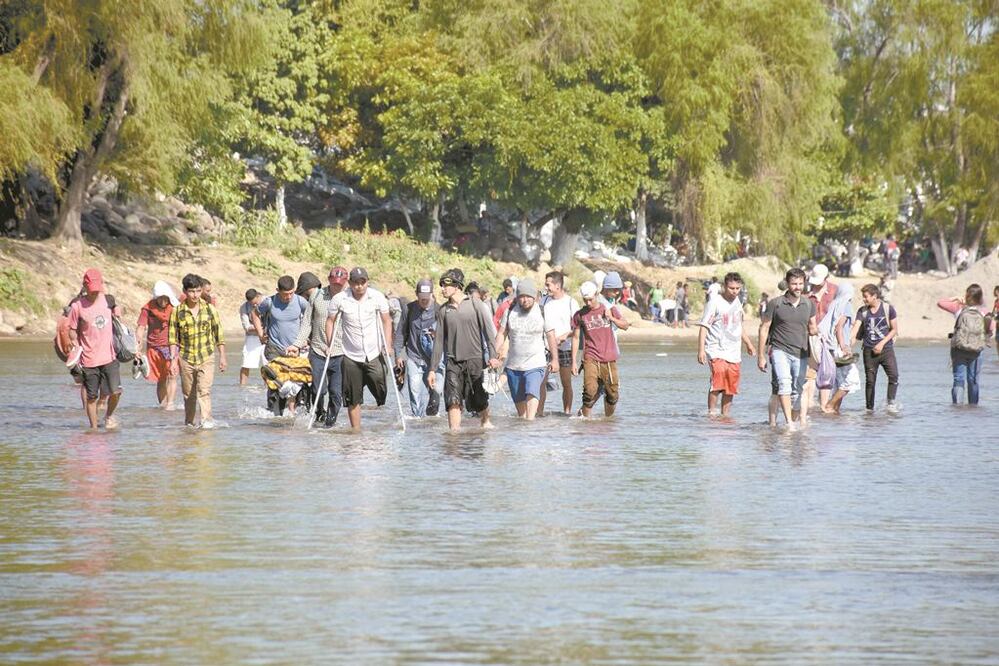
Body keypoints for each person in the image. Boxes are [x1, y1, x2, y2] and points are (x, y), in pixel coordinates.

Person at [429, 268, 499, 431]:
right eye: (441, 285)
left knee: (479, 401)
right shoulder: (443, 310)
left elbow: (489, 333)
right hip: (453, 362)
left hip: (475, 360)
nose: (443, 289)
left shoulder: (476, 305)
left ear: (457, 285)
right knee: (452, 400)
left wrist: (493, 356)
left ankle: (485, 422)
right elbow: (438, 342)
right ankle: (454, 435)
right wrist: (432, 369)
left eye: (446, 285)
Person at [324, 267, 393, 430]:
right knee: (353, 397)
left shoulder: (377, 297)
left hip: (373, 352)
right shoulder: (340, 299)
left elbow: (386, 321)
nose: (359, 286)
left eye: (363, 282)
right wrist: (329, 344)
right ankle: (356, 430)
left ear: (367, 282)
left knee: (380, 387)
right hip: (350, 354)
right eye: (356, 283)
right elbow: (330, 321)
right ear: (350, 283)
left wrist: (387, 345)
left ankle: (378, 398)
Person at [757, 268, 818, 428]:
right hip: (779, 349)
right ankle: (789, 423)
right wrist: (761, 355)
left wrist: (821, 337)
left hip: (802, 352)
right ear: (787, 284)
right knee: (783, 385)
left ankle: (798, 421)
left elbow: (812, 327)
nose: (797, 287)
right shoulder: (775, 304)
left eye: (800, 283)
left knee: (798, 390)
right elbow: (764, 328)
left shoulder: (809, 304)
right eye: (794, 284)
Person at [287, 267, 347, 427]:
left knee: (336, 393)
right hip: (318, 350)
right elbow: (307, 322)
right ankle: (320, 413)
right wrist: (296, 344)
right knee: (318, 390)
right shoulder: (317, 296)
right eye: (334, 283)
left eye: (340, 284)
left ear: (346, 283)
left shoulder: (349, 299)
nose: (337, 287)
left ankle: (330, 423)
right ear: (328, 280)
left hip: (340, 352)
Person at [492, 278, 558, 420]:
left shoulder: (542, 311)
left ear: (534, 296)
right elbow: (501, 334)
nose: (525, 300)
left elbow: (551, 336)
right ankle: (524, 437)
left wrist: (555, 359)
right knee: (521, 415)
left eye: (528, 296)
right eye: (522, 296)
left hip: (536, 364)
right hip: (514, 366)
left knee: (531, 397)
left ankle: (531, 428)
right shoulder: (510, 312)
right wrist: (493, 354)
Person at [66, 269, 123, 430]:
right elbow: (71, 330)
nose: (94, 292)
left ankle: (109, 415)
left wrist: (118, 315)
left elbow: (119, 322)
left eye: (97, 288)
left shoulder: (109, 301)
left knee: (116, 392)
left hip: (110, 356)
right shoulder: (77, 306)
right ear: (85, 285)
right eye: (91, 289)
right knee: (91, 396)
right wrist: (75, 345)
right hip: (88, 359)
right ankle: (94, 428)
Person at [168, 273, 226, 427]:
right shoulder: (177, 311)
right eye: (192, 291)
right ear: (185, 291)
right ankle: (189, 423)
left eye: (198, 291)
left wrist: (223, 356)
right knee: (189, 394)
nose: (195, 295)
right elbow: (173, 338)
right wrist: (173, 361)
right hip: (186, 357)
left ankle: (206, 422)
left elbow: (218, 333)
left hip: (206, 356)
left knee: (204, 391)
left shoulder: (209, 310)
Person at [697, 272, 756, 416]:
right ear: (724, 286)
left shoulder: (737, 301)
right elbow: (704, 326)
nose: (735, 291)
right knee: (718, 381)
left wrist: (749, 344)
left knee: (731, 386)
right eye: (731, 288)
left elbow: (739, 325)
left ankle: (725, 416)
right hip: (716, 348)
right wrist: (701, 350)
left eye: (737, 288)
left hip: (734, 351)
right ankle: (712, 413)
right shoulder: (714, 302)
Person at [570, 280, 630, 417]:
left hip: (609, 357)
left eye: (590, 300)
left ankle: (608, 420)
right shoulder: (580, 315)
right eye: (585, 300)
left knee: (612, 393)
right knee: (589, 391)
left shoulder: (608, 309)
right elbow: (575, 338)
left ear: (596, 294)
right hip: (590, 356)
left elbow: (625, 325)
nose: (588, 303)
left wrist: (612, 319)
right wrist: (574, 361)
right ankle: (585, 421)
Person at [394, 279, 444, 418]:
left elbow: (446, 336)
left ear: (432, 295)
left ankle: (433, 418)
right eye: (421, 298)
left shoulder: (439, 310)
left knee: (436, 392)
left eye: (427, 298)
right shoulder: (409, 309)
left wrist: (437, 334)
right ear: (416, 294)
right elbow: (400, 333)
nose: (424, 301)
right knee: (414, 391)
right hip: (414, 358)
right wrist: (398, 355)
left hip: (433, 360)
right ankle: (417, 419)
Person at [937, 284, 993, 405]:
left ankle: (957, 408)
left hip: (959, 348)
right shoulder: (985, 312)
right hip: (977, 350)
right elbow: (990, 330)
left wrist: (955, 298)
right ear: (980, 297)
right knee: (973, 380)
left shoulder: (959, 308)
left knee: (958, 379)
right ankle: (973, 407)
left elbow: (940, 302)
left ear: (967, 295)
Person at [848, 284, 899, 411]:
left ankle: (890, 403)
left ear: (874, 296)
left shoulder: (888, 309)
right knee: (870, 381)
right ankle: (869, 409)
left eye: (866, 297)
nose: (863, 299)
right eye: (863, 297)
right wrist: (848, 343)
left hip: (886, 350)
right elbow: (855, 328)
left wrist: (881, 344)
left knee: (894, 376)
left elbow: (894, 330)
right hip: (869, 351)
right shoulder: (863, 311)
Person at [538, 270, 579, 415]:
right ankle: (539, 413)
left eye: (548, 284)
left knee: (566, 383)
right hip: (545, 348)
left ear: (557, 285)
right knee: (541, 382)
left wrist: (563, 336)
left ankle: (567, 413)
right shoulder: (543, 301)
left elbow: (577, 330)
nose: (546, 287)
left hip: (565, 348)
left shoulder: (571, 303)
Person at [136, 280, 179, 409]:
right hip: (154, 348)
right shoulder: (148, 308)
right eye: (159, 299)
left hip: (172, 345)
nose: (162, 301)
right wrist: (137, 347)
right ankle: (162, 404)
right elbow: (141, 327)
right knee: (161, 379)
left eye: (165, 298)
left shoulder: (175, 308)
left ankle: (170, 404)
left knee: (172, 374)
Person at [823, 282, 861, 414]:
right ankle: (829, 405)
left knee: (839, 381)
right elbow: (839, 327)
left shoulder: (834, 304)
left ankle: (835, 410)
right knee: (851, 380)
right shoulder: (846, 305)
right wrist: (844, 345)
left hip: (832, 347)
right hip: (840, 347)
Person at [253, 275, 309, 363]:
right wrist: (260, 334)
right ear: (278, 291)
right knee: (275, 376)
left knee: (291, 376)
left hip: (293, 349)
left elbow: (311, 318)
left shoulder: (300, 301)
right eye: (285, 294)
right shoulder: (269, 302)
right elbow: (254, 314)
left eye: (291, 293)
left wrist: (305, 338)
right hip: (274, 348)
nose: (289, 297)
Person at [238, 289, 265, 386]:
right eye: (251, 304)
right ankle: (242, 387)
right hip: (252, 337)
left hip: (268, 337)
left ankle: (269, 388)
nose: (254, 305)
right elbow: (247, 327)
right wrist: (260, 328)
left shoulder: (268, 301)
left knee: (269, 364)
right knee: (246, 363)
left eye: (255, 303)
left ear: (258, 296)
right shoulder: (244, 308)